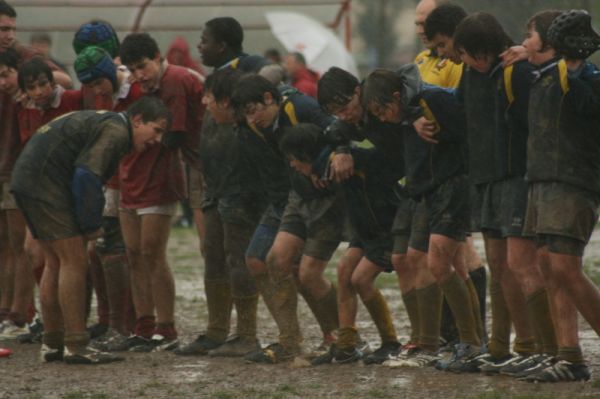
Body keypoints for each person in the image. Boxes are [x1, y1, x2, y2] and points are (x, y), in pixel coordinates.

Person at [10, 96, 170, 364]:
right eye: (157, 130)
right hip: (45, 184)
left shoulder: (104, 121)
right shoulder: (117, 130)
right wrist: (91, 224)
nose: (157, 140)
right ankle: (77, 345)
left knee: (54, 262)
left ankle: (52, 343)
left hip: (26, 180)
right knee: (74, 261)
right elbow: (86, 175)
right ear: (138, 120)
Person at [451, 11, 557, 375]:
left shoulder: (518, 71)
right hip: (484, 179)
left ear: (481, 51)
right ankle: (508, 347)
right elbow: (458, 113)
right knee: (498, 265)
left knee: (522, 264)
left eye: (464, 53)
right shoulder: (470, 75)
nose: (460, 60)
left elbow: (540, 125)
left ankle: (548, 348)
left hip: (515, 177)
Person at [363, 65, 482, 373]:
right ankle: (428, 344)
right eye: (374, 113)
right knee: (416, 258)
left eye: (381, 109)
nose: (381, 117)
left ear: (396, 96)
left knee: (442, 263)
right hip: (425, 192)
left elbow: (467, 133)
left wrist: (416, 109)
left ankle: (471, 343)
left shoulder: (431, 101)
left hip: (453, 186)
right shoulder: (406, 113)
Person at [231, 74, 344, 364]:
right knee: (264, 260)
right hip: (289, 197)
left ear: (269, 99)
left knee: (308, 273)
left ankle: (341, 337)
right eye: (245, 114)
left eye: (254, 110)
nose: (252, 119)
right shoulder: (254, 127)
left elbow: (337, 132)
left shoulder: (300, 107)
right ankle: (290, 341)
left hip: (322, 197)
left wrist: (325, 166)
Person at [175, 16, 270, 356]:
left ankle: (246, 334)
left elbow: (272, 72)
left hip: (240, 196)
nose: (204, 103)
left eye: (210, 99)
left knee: (238, 259)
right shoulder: (215, 115)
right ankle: (216, 331)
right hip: (214, 192)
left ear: (227, 101)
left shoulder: (245, 123)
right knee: (212, 255)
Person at [518, 9, 600, 382]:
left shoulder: (585, 76)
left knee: (566, 268)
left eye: (529, 36)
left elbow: (589, 107)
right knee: (550, 267)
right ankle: (569, 356)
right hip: (542, 181)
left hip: (572, 183)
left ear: (551, 43)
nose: (523, 42)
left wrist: (576, 65)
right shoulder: (541, 78)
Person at [115, 32, 204, 352]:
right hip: (133, 176)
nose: (139, 76)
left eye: (142, 67)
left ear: (158, 57)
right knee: (134, 253)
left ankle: (166, 328)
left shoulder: (177, 80)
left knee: (152, 252)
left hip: (164, 178)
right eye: (132, 69)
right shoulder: (136, 89)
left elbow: (175, 136)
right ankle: (144, 325)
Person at [414, 0, 487, 350]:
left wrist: (432, 108)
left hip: (460, 170)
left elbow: (463, 117)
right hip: (435, 172)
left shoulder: (466, 66)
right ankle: (462, 339)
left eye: (424, 23)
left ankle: (478, 340)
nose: (419, 30)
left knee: (457, 257)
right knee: (453, 258)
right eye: (416, 23)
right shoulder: (423, 61)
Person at [73, 45, 144, 347]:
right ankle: (106, 319)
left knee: (114, 250)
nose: (96, 90)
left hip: (130, 180)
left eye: (98, 82)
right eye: (90, 86)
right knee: (97, 251)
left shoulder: (136, 92)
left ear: (108, 74)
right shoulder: (103, 96)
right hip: (109, 178)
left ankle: (122, 324)